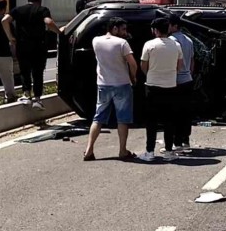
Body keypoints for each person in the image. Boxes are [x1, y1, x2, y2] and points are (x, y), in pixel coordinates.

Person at [83, 17, 137, 161]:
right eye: (123, 29)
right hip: (122, 84)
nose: (125, 32)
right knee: (122, 119)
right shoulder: (122, 43)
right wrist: (133, 77)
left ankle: (89, 150)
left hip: (103, 84)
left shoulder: (96, 41)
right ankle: (122, 151)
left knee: (98, 118)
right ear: (114, 28)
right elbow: (132, 63)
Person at [2, 0, 61, 110]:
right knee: (38, 73)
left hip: (22, 46)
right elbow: (48, 22)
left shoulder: (18, 10)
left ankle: (27, 95)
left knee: (24, 71)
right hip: (39, 46)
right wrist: (59, 32)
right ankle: (37, 100)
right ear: (40, 0)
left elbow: (4, 20)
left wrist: (10, 37)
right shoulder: (42, 9)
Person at [139, 18, 183, 162]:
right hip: (170, 85)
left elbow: (143, 65)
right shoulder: (176, 45)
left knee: (151, 121)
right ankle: (169, 151)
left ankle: (150, 151)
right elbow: (179, 66)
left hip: (152, 86)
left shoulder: (149, 44)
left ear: (155, 30)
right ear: (168, 28)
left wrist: (151, 74)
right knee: (169, 120)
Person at [169, 14, 194, 149]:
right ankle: (186, 140)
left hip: (175, 80)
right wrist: (189, 73)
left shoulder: (171, 41)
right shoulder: (189, 40)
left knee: (175, 112)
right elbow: (192, 61)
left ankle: (177, 142)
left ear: (175, 26)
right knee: (186, 112)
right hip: (188, 79)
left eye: (169, 25)